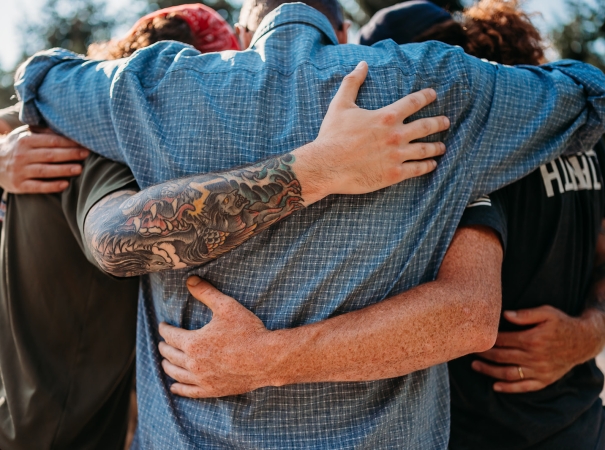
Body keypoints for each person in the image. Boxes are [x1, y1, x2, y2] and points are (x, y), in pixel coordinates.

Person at [14, 0, 605, 448]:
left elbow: (42, 76)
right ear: (342, 31)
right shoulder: (438, 86)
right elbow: (589, 94)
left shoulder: (154, 90)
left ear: (244, 35)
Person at [358, 0, 605, 447]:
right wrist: (588, 332)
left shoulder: (464, 146)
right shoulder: (580, 125)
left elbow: (465, 314)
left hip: (487, 429)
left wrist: (588, 333)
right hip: (580, 421)